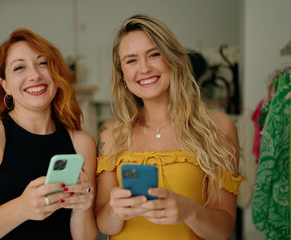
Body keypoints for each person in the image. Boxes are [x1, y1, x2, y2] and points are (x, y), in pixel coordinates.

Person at [95, 14, 245, 240]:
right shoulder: (111, 132)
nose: (144, 68)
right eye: (131, 60)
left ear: (173, 59)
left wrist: (189, 210)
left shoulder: (218, 127)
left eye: (154, 54)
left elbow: (222, 231)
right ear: (122, 75)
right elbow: (106, 227)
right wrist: (115, 210)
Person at [0, 28, 98, 240]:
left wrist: (82, 207)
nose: (34, 75)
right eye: (19, 68)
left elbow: (84, 237)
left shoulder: (82, 143)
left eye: (42, 63)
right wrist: (22, 209)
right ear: (4, 85)